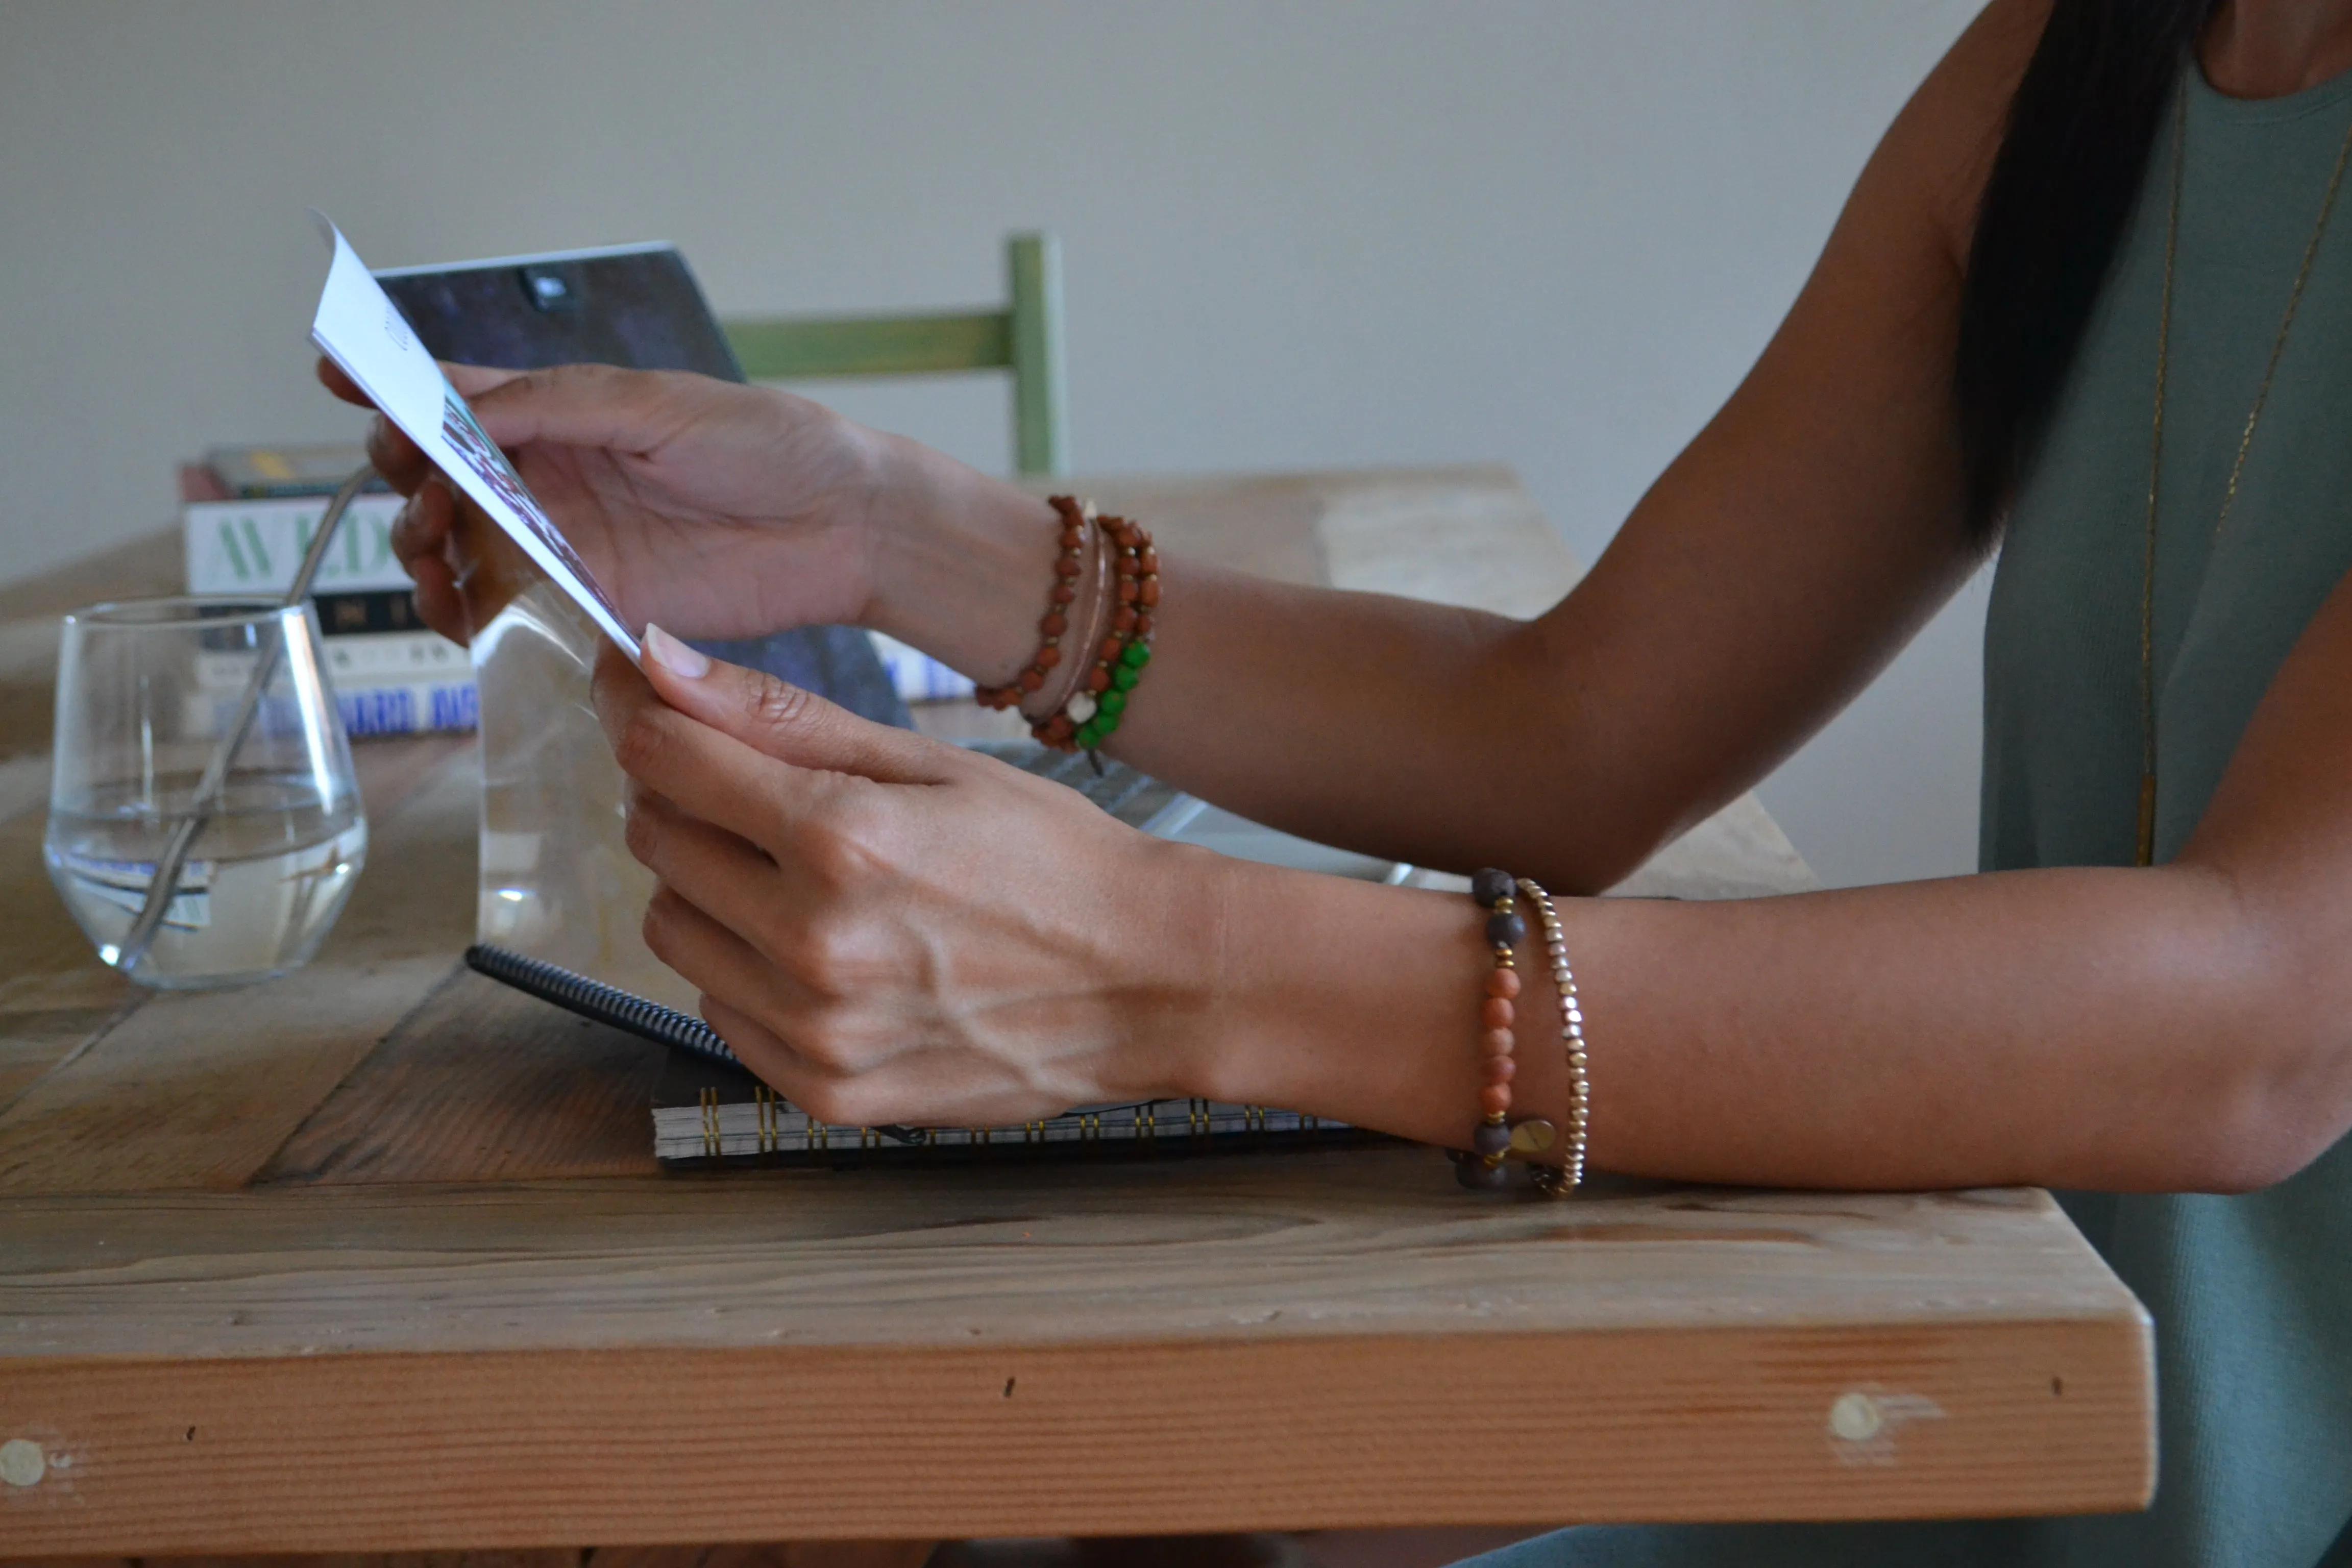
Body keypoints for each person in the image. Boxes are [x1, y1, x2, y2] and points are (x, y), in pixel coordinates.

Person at [324, 0, 2352, 1558]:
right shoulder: (2078, 66)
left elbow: (2266, 1023)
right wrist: (884, 530)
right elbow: (1578, 733)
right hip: (2026, 1476)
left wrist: (1162, 967)